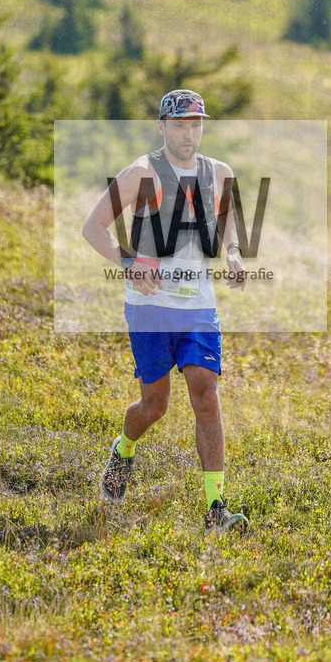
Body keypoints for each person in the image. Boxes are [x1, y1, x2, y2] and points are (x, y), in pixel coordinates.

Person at [82, 88, 249, 535]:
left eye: (195, 125)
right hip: (150, 307)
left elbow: (230, 219)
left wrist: (233, 251)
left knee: (206, 396)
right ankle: (123, 450)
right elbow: (93, 227)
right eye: (179, 125)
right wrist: (128, 263)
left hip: (198, 306)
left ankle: (216, 510)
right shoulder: (141, 172)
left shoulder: (219, 173)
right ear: (162, 127)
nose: (188, 134)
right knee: (154, 405)